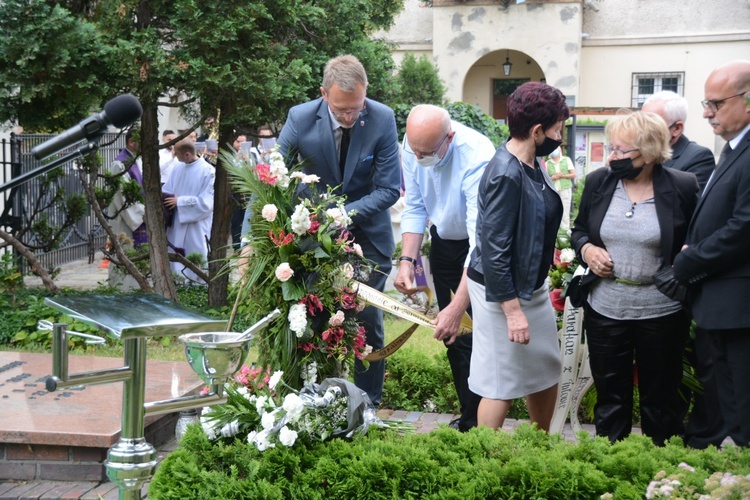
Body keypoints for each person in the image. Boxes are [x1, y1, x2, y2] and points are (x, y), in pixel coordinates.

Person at [255, 54, 401, 405]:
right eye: (341, 110)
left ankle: (368, 403)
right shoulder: (299, 117)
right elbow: (272, 175)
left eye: (356, 108)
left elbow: (388, 189)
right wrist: (249, 238)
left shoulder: (382, 119)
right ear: (323, 94)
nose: (350, 117)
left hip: (367, 239)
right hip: (311, 241)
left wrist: (340, 215)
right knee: (315, 319)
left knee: (364, 319)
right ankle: (315, 399)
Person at [571, 111, 699, 445]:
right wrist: (587, 251)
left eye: (620, 151)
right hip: (605, 307)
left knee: (661, 402)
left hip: (662, 311)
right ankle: (612, 470)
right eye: (611, 148)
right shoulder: (599, 182)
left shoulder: (682, 187)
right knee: (611, 401)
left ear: (649, 151)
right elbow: (580, 230)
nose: (611, 157)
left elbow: (695, 242)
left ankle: (662, 476)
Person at [466, 82, 567, 432]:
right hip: (502, 292)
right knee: (501, 380)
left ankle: (540, 448)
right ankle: (485, 462)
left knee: (544, 368)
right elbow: (493, 251)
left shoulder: (531, 163)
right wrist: (512, 313)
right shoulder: (505, 174)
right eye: (558, 129)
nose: (561, 137)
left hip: (530, 288)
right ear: (537, 131)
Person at [394, 104, 495, 432]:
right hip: (444, 243)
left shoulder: (477, 155)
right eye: (414, 150)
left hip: (479, 246)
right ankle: (468, 418)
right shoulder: (414, 146)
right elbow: (416, 205)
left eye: (427, 152)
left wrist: (457, 306)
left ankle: (485, 421)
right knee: (454, 336)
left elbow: (479, 240)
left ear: (448, 138)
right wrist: (407, 261)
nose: (418, 157)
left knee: (480, 333)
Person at [673, 60, 750, 448]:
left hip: (738, 304)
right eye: (706, 103)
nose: (706, 113)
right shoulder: (734, 148)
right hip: (721, 301)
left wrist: (690, 260)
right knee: (730, 405)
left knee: (741, 404)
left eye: (715, 104)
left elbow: (744, 227)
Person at [642, 91, 724, 448]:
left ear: (675, 129)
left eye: (651, 123)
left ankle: (675, 441)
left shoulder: (697, 159)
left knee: (671, 376)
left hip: (676, 282)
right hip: (640, 287)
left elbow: (691, 220)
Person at [162, 139, 215, 284]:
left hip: (196, 226)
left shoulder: (208, 172)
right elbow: (167, 189)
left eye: (177, 154)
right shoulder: (178, 168)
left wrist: (180, 201)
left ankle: (198, 287)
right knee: (175, 259)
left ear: (186, 154)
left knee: (196, 257)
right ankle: (177, 286)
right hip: (176, 223)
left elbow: (207, 203)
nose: (175, 157)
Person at [643, 91, 715, 191]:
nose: (642, 130)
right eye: (641, 122)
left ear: (677, 128)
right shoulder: (637, 153)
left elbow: (685, 202)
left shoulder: (699, 157)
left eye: (652, 125)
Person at [110, 128, 147, 247]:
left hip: (139, 216)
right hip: (127, 220)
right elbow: (123, 197)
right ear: (131, 142)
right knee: (126, 256)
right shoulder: (120, 164)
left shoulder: (137, 160)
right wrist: (145, 213)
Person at [545, 146, 576, 230]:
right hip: (553, 190)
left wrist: (563, 175)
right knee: (554, 211)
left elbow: (573, 174)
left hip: (565, 189)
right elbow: (546, 178)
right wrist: (554, 177)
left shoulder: (566, 160)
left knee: (565, 211)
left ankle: (564, 232)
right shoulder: (548, 163)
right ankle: (555, 231)